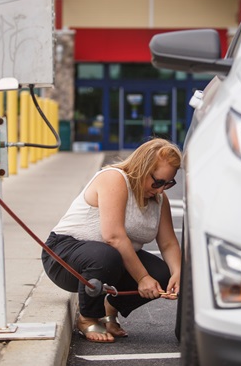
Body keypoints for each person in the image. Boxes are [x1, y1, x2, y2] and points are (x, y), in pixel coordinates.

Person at [42, 138, 182, 343]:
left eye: (168, 183)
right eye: (158, 181)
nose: (161, 189)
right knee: (108, 255)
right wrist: (142, 278)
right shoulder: (114, 179)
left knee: (161, 273)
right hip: (63, 257)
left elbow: (168, 243)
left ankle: (110, 309)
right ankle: (88, 317)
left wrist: (177, 273)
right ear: (142, 168)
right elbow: (113, 237)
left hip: (107, 260)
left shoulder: (160, 199)